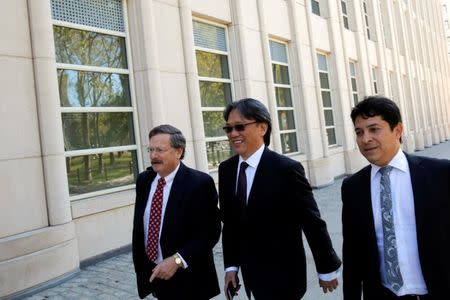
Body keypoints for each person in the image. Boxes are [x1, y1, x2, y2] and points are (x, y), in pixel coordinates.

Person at [219, 98, 342, 299]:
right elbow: (231, 224)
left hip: (284, 277)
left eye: (240, 127)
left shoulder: (286, 169)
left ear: (262, 128)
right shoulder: (226, 170)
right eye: (228, 128)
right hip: (251, 277)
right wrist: (231, 266)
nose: (233, 134)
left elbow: (312, 222)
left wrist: (327, 267)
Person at [342, 96, 450, 300]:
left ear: (398, 130)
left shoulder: (440, 174)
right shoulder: (353, 187)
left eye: (374, 129)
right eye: (359, 132)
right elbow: (353, 253)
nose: (365, 139)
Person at [132, 124, 221, 300]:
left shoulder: (199, 183)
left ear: (178, 152)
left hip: (189, 279)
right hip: (155, 275)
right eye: (150, 150)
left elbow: (210, 232)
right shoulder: (144, 180)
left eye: (160, 150)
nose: (153, 156)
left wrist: (178, 260)